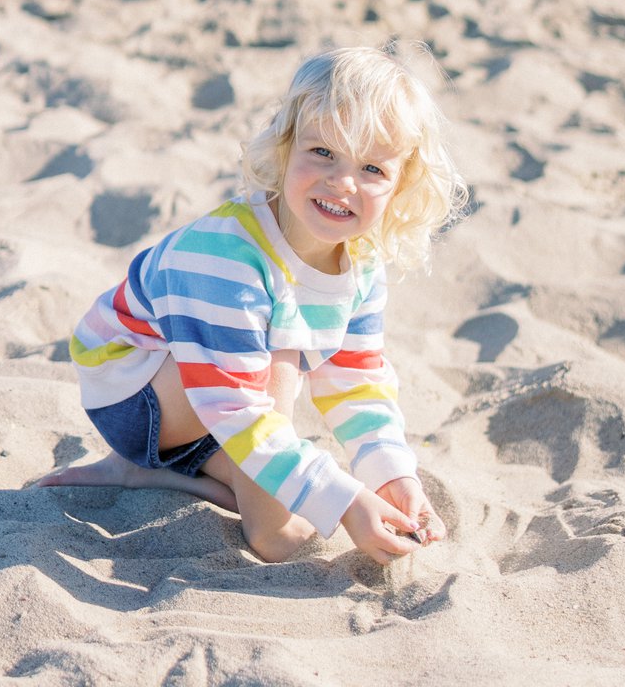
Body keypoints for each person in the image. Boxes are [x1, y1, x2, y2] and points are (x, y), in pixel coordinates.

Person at [38, 44, 469, 566]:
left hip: (204, 401)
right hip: (133, 391)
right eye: (322, 152)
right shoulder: (230, 256)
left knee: (282, 381)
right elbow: (240, 410)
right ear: (286, 147)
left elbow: (356, 379)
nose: (342, 182)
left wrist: (391, 475)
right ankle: (267, 529)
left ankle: (150, 471)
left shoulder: (360, 261)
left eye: (373, 168)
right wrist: (348, 500)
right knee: (281, 351)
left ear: (401, 184)